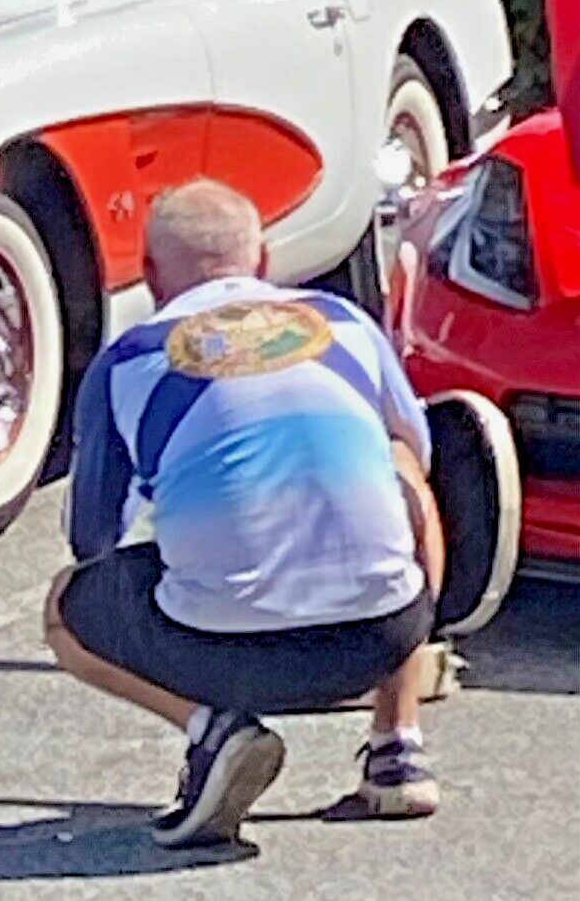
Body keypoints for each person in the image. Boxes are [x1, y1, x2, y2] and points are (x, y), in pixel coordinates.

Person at [42, 179, 446, 849]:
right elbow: (420, 449)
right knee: (401, 467)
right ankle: (395, 744)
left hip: (219, 653)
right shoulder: (342, 321)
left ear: (148, 275)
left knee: (65, 606)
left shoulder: (128, 360)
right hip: (377, 634)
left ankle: (214, 731)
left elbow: (92, 539)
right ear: (261, 260)